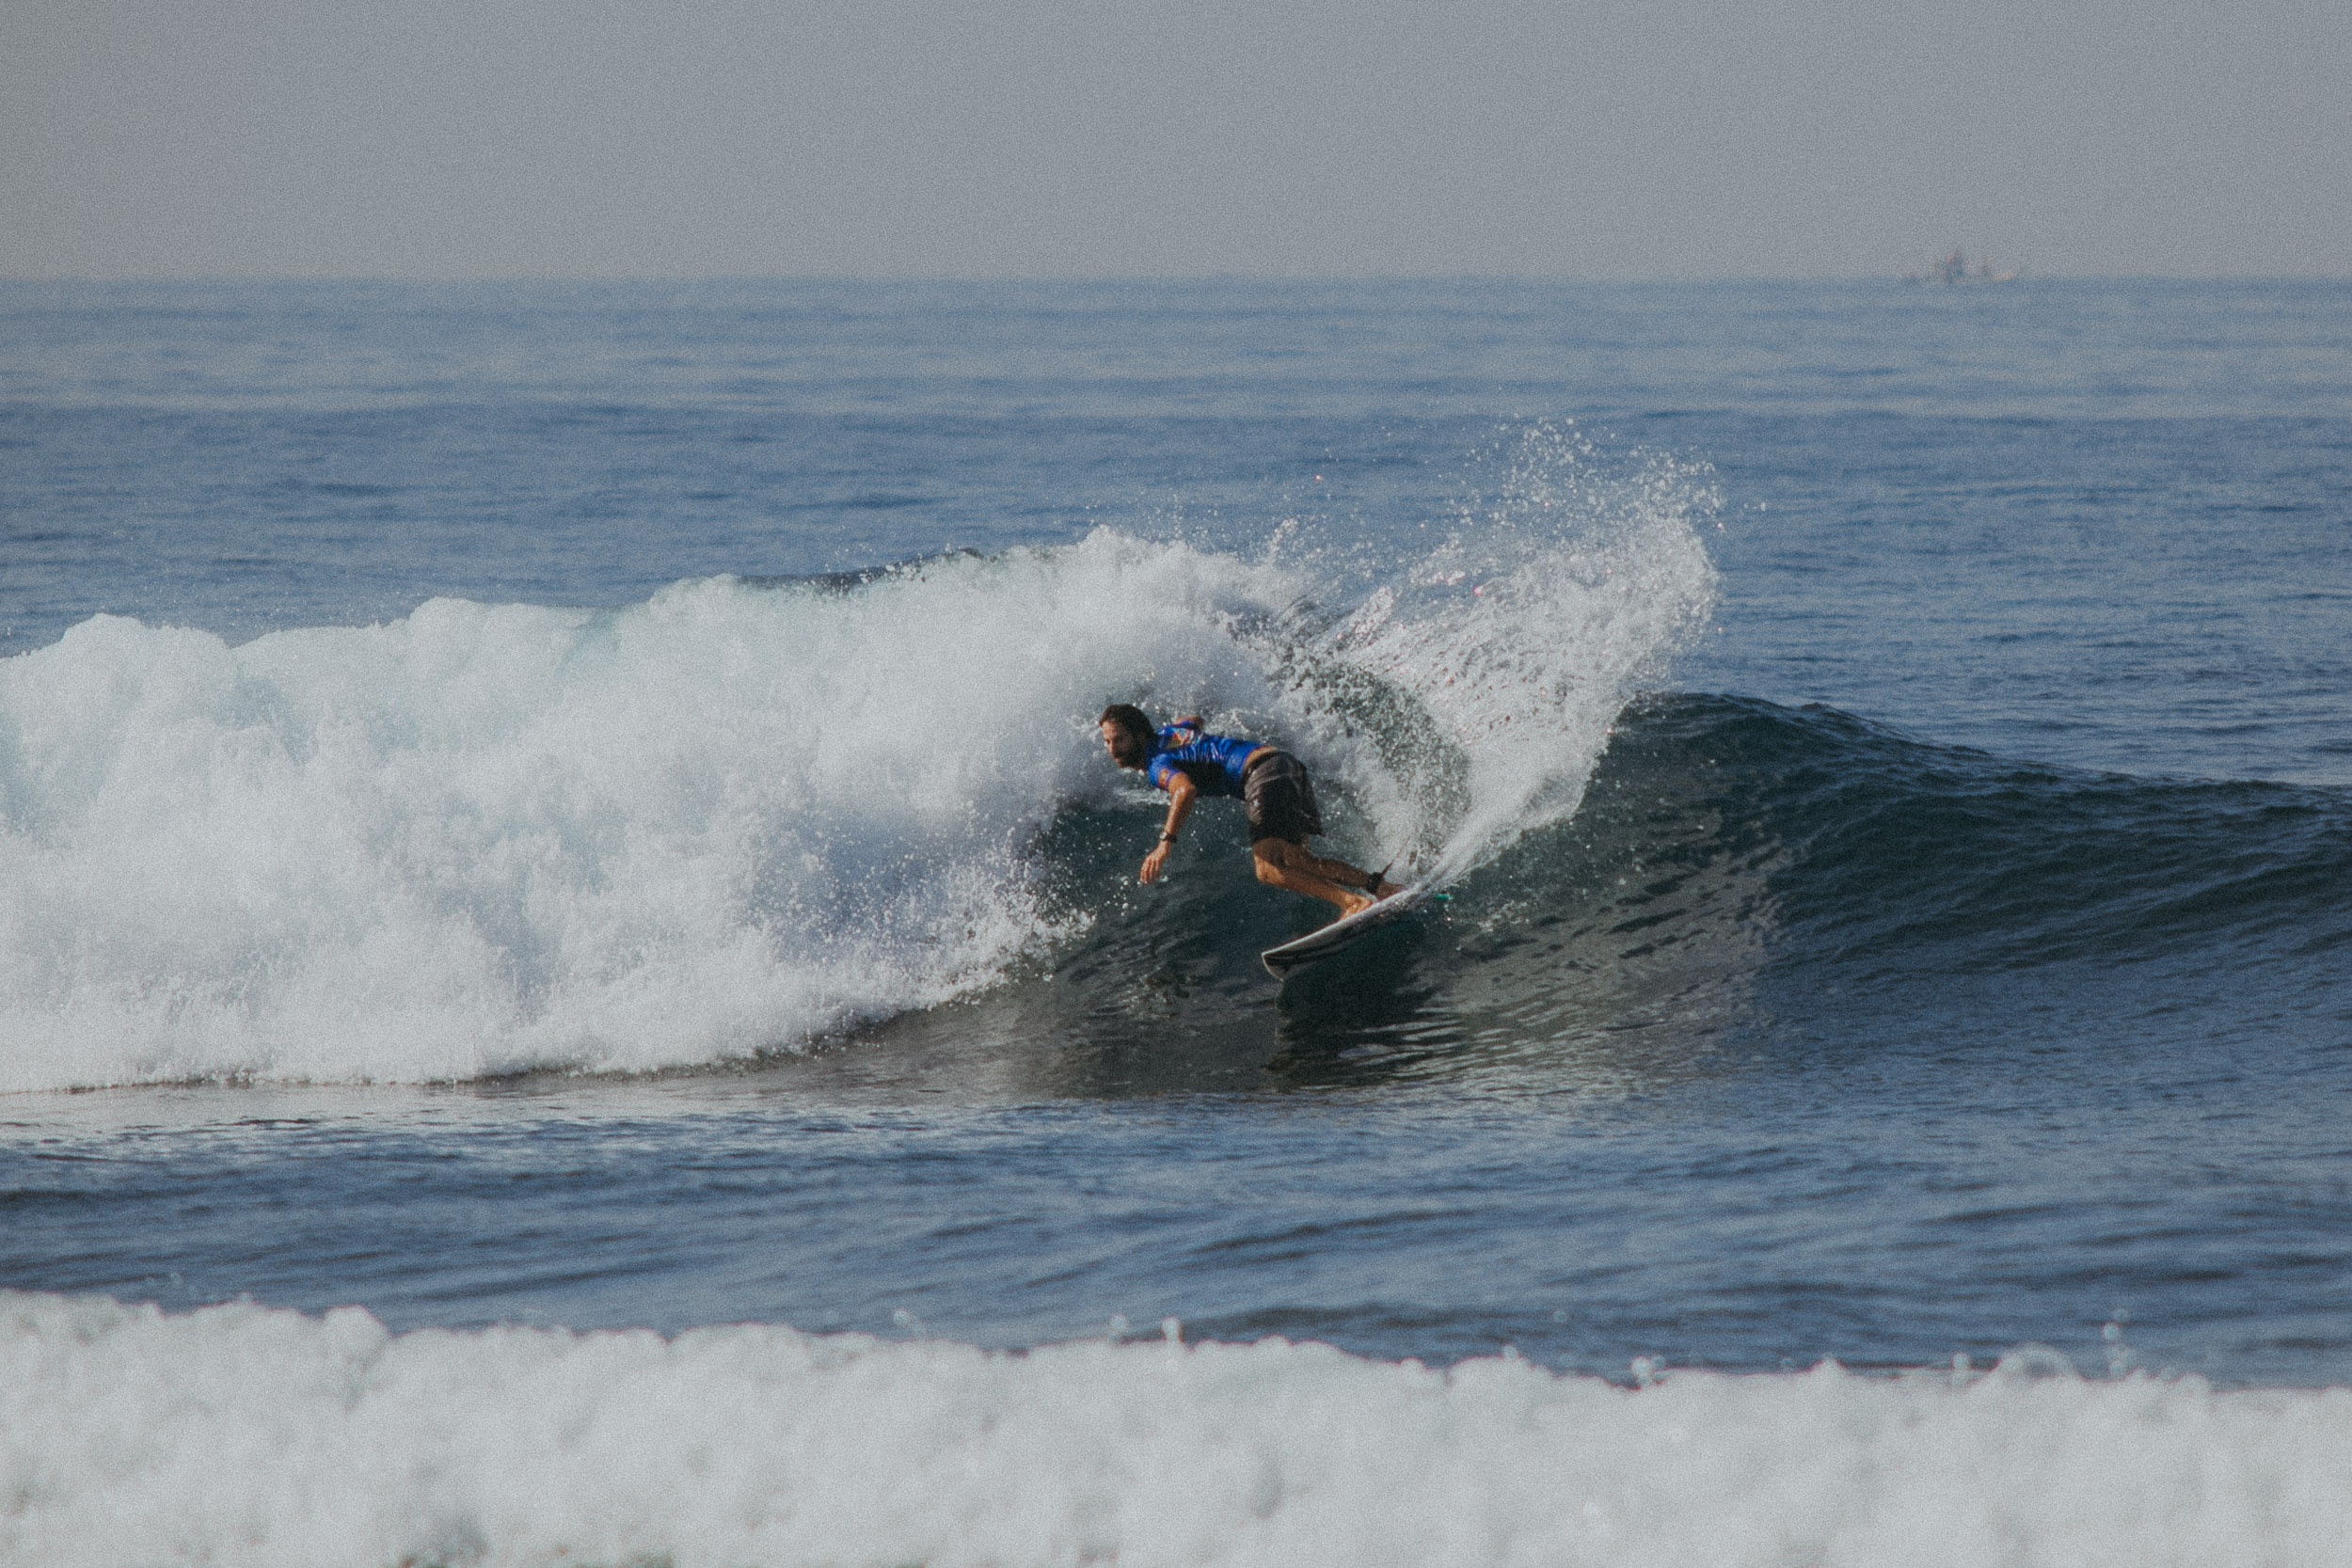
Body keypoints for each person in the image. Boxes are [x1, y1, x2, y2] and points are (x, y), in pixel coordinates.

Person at [1097, 704, 1401, 917]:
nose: (1112, 749)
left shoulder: (1156, 764)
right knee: (1298, 862)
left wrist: (1164, 844)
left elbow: (1184, 790)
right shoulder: (1170, 733)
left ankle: (1352, 903)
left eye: (1119, 739)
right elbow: (1194, 720)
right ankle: (1380, 887)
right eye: (1107, 741)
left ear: (1138, 735)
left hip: (1260, 773)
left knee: (1267, 869)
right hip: (1284, 763)